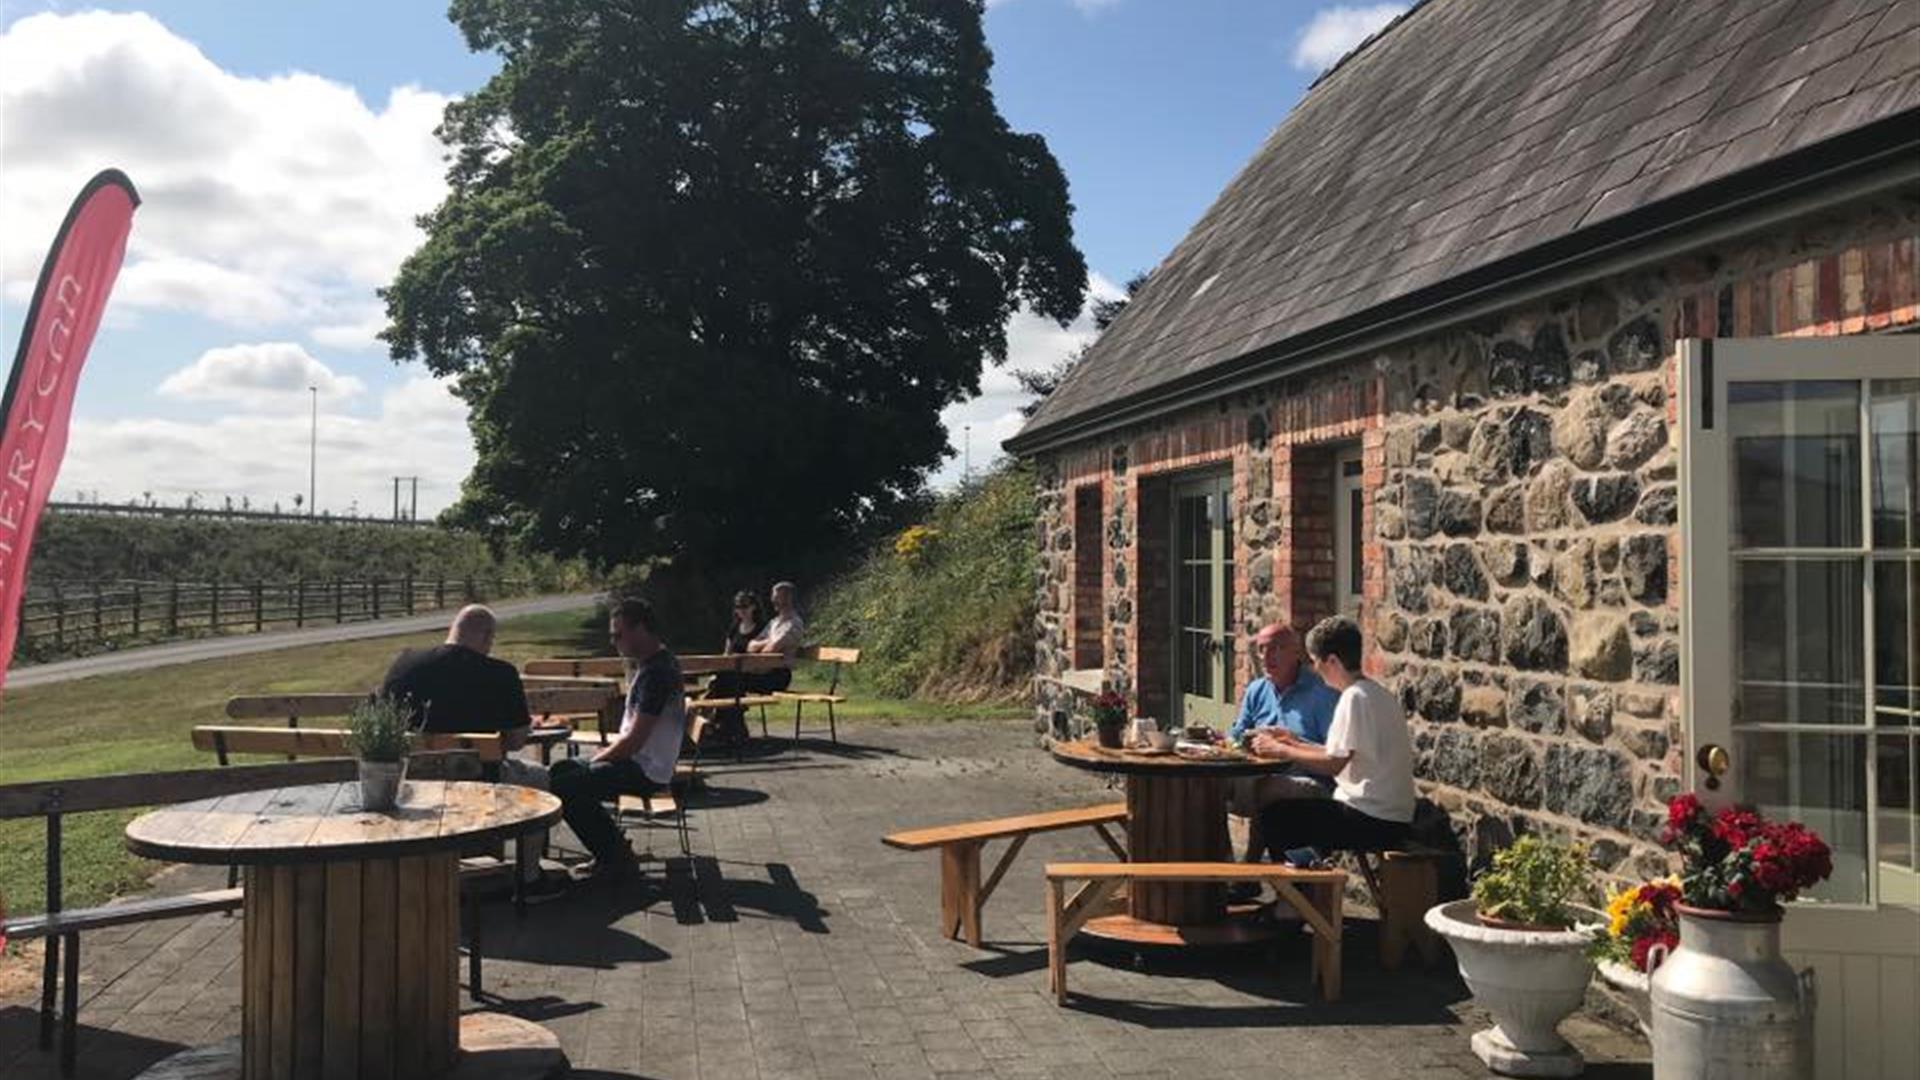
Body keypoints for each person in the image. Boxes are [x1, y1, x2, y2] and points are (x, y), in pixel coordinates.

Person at [380, 604, 560, 897]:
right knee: (539, 779)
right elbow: (515, 741)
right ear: (486, 636)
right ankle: (529, 878)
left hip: (410, 783)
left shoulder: (404, 663)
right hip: (480, 783)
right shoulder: (500, 673)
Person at [1251, 615, 1415, 866]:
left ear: (1333, 661)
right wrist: (1293, 741)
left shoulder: (1353, 698)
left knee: (1272, 818)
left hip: (1372, 818)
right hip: (1390, 816)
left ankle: (1297, 897)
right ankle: (1309, 885)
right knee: (1292, 813)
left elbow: (1332, 763)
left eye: (1317, 661)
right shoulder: (1376, 693)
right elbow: (1341, 753)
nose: (1315, 669)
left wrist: (1281, 750)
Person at [549, 598, 686, 879]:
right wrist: (603, 755)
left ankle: (614, 856)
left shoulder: (658, 673)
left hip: (647, 771)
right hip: (638, 761)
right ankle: (613, 849)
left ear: (641, 629)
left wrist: (598, 757)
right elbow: (632, 738)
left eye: (618, 634)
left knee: (565, 787)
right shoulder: (651, 665)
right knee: (561, 770)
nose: (614, 642)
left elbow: (634, 742)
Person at [1224, 623, 1340, 889]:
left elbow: (1334, 753)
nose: (1266, 657)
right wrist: (1241, 740)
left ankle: (1249, 872)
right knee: (1206, 786)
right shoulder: (1257, 690)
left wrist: (1287, 744)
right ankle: (1221, 867)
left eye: (1276, 648)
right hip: (1254, 773)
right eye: (1262, 649)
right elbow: (1235, 734)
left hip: (1311, 781)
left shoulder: (1321, 693)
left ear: (1296, 652)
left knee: (1268, 788)